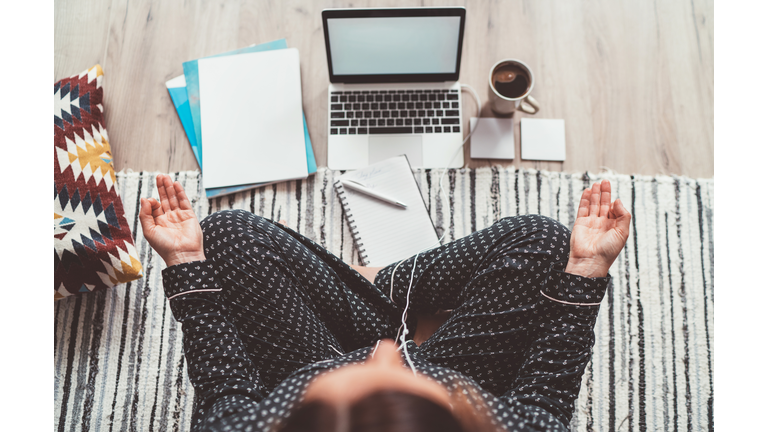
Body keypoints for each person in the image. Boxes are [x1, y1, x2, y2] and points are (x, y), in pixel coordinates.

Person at [139, 174, 631, 432]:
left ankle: (375, 291)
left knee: (226, 235)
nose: (385, 352)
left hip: (311, 354)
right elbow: (546, 394)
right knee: (544, 243)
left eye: (333, 389)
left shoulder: (245, 426)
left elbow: (224, 385)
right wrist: (587, 269)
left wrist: (183, 259)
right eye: (397, 373)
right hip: (463, 373)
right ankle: (388, 290)